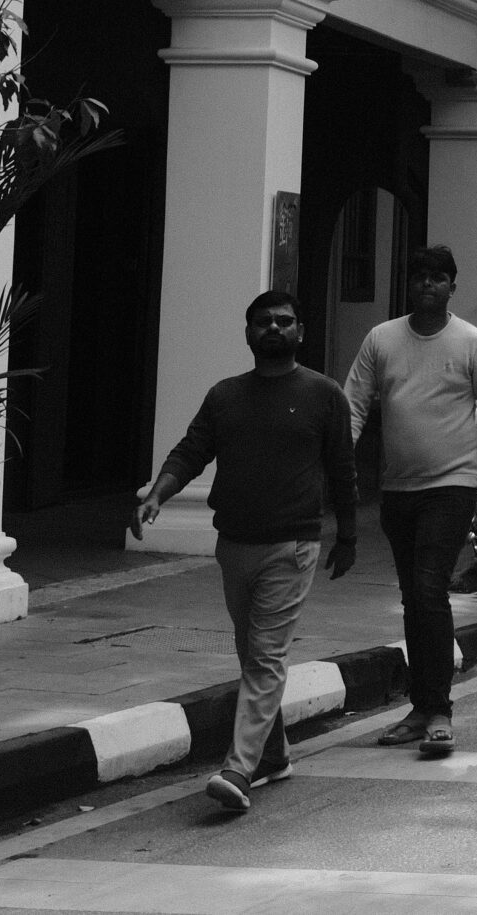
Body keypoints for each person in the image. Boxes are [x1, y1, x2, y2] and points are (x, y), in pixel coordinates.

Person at [134, 290, 356, 815]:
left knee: (264, 656)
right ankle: (274, 751)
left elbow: (343, 470)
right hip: (233, 545)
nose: (274, 328)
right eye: (263, 322)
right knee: (253, 652)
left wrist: (348, 536)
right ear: (249, 333)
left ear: (301, 331)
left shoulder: (325, 395)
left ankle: (239, 768)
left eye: (284, 321)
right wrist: (157, 493)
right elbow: (192, 449)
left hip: (292, 544)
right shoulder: (225, 396)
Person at [342, 245, 477, 759]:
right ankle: (421, 708)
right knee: (413, 599)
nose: (428, 286)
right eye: (420, 277)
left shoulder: (471, 343)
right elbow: (353, 407)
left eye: (438, 278)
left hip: (453, 486)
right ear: (409, 284)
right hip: (398, 491)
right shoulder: (381, 340)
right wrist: (337, 466)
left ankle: (439, 711)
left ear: (452, 287)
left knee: (427, 588)